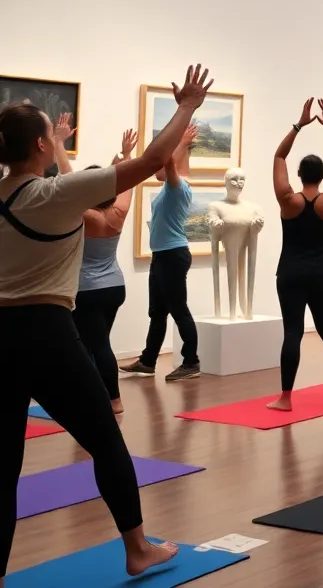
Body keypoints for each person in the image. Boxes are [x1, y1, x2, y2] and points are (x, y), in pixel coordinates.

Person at [0, 64, 212, 581]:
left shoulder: (18, 194)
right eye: (52, 136)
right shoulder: (53, 196)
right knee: (106, 440)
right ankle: (137, 549)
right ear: (42, 147)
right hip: (48, 333)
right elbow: (155, 159)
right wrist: (186, 106)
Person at [266, 98, 323, 412]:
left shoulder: (289, 200)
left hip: (289, 271)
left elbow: (279, 155)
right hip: (320, 271)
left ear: (300, 174)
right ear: (322, 175)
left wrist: (299, 125)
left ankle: (286, 398)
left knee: (293, 331)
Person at [120, 122, 201, 382]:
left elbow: (168, 165)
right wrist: (128, 158)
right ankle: (148, 361)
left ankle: (191, 362)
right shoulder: (170, 187)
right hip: (162, 255)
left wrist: (180, 141)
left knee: (178, 309)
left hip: (173, 255)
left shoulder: (178, 189)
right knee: (157, 311)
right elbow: (168, 168)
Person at [75, 129, 139, 415]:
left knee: (96, 345)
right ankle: (99, 394)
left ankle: (113, 399)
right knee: (97, 342)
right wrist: (126, 157)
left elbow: (68, 181)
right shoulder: (118, 212)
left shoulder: (84, 215)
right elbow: (127, 182)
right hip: (114, 287)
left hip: (87, 289)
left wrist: (55, 143)